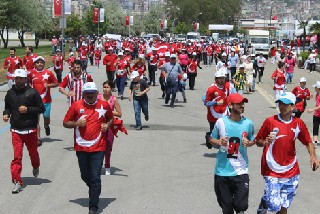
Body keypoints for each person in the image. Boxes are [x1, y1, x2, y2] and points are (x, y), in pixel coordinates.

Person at [255, 92, 319, 214]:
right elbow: (258, 140)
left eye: (285, 104)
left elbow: (308, 141)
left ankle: (268, 199)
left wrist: (313, 157)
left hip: (291, 170)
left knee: (284, 206)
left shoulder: (298, 123)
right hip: (271, 169)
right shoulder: (270, 121)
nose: (282, 106)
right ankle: (265, 202)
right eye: (280, 103)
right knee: (274, 205)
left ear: (292, 107)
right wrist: (264, 142)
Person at [63, 82, 113, 214]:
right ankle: (95, 190)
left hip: (98, 147)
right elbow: (65, 123)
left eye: (92, 93)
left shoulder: (104, 105)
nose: (90, 95)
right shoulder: (76, 105)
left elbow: (110, 119)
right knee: (85, 175)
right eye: (87, 93)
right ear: (83, 94)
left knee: (95, 177)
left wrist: (107, 126)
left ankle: (93, 206)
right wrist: (77, 123)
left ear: (97, 93)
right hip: (81, 147)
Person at [207, 93, 254, 214]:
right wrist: (218, 142)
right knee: (226, 208)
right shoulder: (220, 122)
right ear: (230, 105)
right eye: (239, 103)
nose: (242, 106)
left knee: (241, 206)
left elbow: (254, 140)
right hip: (222, 171)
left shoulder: (248, 124)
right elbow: (211, 139)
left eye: (243, 103)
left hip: (241, 171)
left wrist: (249, 143)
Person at [3, 69, 45, 194]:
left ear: (26, 79)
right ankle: (17, 181)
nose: (18, 80)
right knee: (17, 157)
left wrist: (27, 109)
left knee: (33, 153)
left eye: (21, 78)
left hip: (30, 130)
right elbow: (7, 107)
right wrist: (6, 114)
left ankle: (36, 165)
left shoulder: (32, 92)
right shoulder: (10, 93)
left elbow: (41, 108)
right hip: (16, 130)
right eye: (16, 78)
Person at [28, 56, 59, 146]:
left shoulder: (48, 73)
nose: (39, 64)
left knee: (46, 118)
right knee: (35, 121)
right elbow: (28, 82)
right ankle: (38, 138)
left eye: (41, 62)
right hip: (35, 102)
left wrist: (48, 85)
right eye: (38, 62)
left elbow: (57, 83)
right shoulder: (31, 73)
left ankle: (46, 126)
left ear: (44, 64)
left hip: (46, 101)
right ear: (35, 64)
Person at [203, 69, 235, 149]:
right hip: (213, 116)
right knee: (214, 134)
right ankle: (208, 136)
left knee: (225, 132)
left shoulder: (227, 87)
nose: (222, 80)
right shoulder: (211, 89)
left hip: (224, 114)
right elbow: (206, 103)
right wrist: (216, 103)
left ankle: (224, 148)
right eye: (220, 78)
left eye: (223, 78)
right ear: (216, 79)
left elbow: (233, 96)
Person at [98, 81, 122, 175]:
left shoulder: (114, 99)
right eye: (104, 87)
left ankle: (107, 166)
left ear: (111, 89)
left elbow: (119, 114)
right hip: (98, 125)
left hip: (110, 125)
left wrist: (108, 111)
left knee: (108, 147)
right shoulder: (98, 97)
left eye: (108, 87)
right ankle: (98, 166)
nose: (106, 89)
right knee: (98, 147)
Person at [307, 81, 320, 147]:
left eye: (315, 87)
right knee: (315, 127)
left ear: (318, 88)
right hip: (317, 114)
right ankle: (315, 142)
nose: (314, 88)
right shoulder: (317, 94)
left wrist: (312, 109)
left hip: (317, 112)